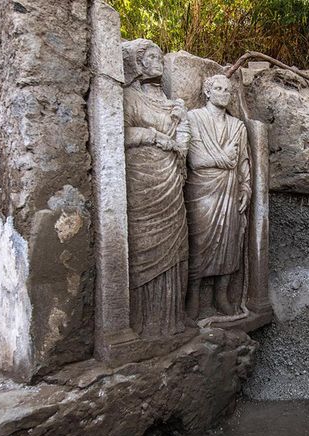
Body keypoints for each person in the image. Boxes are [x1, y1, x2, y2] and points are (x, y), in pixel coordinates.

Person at [121, 39, 191, 337]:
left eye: (160, 56)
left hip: (172, 178)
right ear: (138, 63)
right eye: (152, 56)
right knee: (146, 245)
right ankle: (144, 323)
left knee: (175, 245)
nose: (158, 60)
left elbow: (184, 139)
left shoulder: (170, 102)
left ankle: (172, 320)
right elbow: (120, 133)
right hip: (143, 179)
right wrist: (152, 135)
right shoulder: (128, 98)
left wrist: (181, 121)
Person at [184, 75, 251, 319]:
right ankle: (192, 295)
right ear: (208, 92)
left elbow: (242, 160)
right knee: (198, 241)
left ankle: (221, 295)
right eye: (218, 88)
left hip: (230, 190)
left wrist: (246, 188)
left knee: (230, 241)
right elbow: (196, 160)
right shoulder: (193, 118)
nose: (223, 93)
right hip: (201, 191)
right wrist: (223, 159)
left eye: (228, 90)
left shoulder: (238, 126)